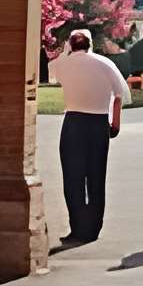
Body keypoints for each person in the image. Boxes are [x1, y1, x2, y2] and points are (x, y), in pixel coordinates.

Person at [51, 27, 126, 244]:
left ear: (71, 45)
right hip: (98, 122)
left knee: (73, 179)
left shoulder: (63, 64)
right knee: (95, 177)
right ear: (90, 44)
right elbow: (119, 94)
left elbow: (50, 69)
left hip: (73, 121)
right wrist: (116, 123)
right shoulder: (105, 64)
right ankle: (92, 229)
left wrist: (65, 53)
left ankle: (77, 228)